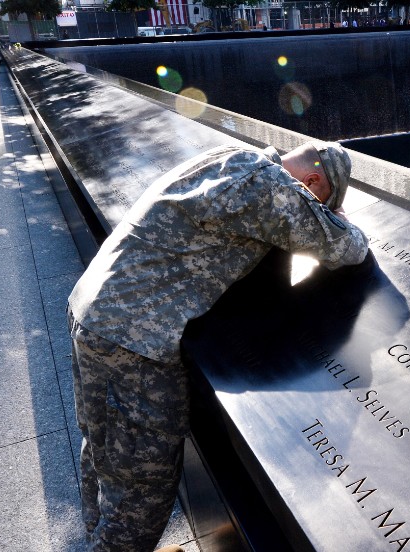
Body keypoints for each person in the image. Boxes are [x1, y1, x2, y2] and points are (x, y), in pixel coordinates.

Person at [67, 141, 369, 551]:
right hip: (134, 340)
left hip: (94, 311)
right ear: (313, 181)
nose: (313, 207)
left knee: (102, 445)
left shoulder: (235, 156)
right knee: (144, 488)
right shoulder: (270, 187)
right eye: (319, 201)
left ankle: (96, 535)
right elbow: (346, 246)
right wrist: (335, 217)